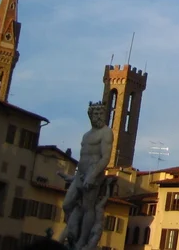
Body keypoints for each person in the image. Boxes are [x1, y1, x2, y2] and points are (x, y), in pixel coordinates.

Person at [60, 101, 113, 250]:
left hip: (93, 175)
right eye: (95, 114)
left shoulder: (106, 132)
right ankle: (73, 231)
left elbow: (105, 157)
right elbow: (83, 157)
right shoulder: (86, 135)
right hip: (79, 175)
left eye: (101, 114)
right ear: (90, 115)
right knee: (67, 204)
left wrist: (92, 175)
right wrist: (73, 177)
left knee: (87, 208)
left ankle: (81, 241)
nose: (98, 116)